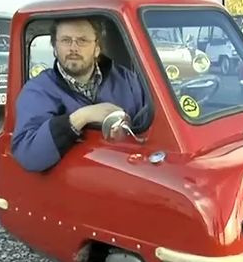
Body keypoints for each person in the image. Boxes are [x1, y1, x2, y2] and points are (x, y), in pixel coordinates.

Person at [11, 17, 147, 172]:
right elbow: (29, 155)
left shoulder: (128, 81)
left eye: (82, 40)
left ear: (97, 48)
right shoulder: (38, 90)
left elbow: (153, 130)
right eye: (65, 40)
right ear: (55, 48)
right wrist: (81, 118)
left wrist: (126, 131)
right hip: (72, 185)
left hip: (125, 175)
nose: (73, 48)